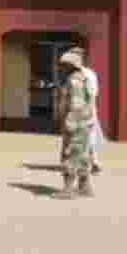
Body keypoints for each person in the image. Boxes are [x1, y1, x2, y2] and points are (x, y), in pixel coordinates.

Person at [54, 47, 98, 199]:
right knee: (84, 154)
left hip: (75, 123)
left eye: (64, 64)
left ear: (70, 65)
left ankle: (68, 189)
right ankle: (84, 187)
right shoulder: (83, 77)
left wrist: (68, 122)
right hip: (85, 123)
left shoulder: (73, 80)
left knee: (70, 154)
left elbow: (75, 104)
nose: (61, 67)